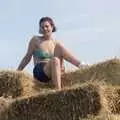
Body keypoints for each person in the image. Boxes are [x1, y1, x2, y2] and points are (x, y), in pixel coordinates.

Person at [17, 16, 88, 90]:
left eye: (47, 26)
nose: (45, 29)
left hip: (53, 69)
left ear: (52, 27)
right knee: (55, 60)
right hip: (40, 71)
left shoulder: (55, 43)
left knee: (59, 48)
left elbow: (60, 62)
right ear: (40, 29)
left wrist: (62, 69)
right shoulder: (35, 40)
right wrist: (17, 72)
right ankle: (58, 91)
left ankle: (80, 65)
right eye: (42, 27)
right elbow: (27, 58)